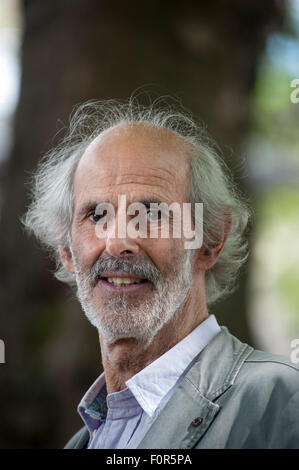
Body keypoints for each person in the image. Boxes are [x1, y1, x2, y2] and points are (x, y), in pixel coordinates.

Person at [23, 98, 299, 449]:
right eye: (96, 215)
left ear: (209, 242)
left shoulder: (282, 401)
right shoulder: (83, 441)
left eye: (151, 213)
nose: (118, 240)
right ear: (67, 250)